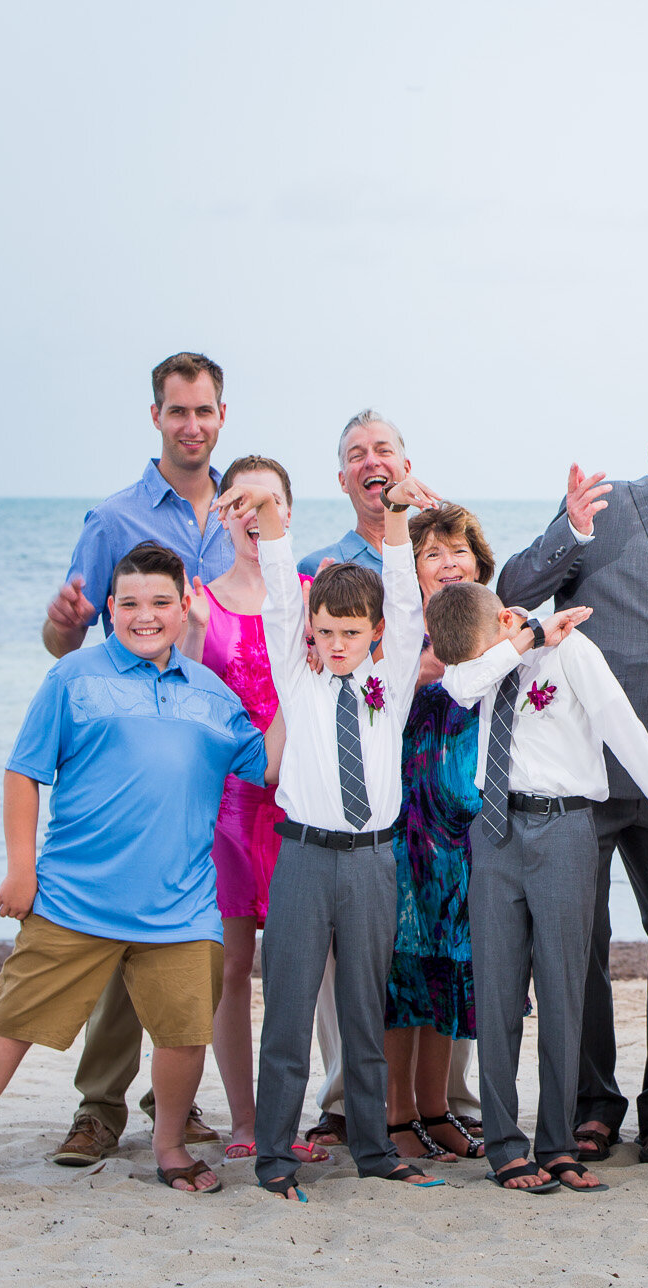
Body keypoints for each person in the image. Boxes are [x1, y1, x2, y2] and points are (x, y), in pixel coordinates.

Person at [0, 543, 273, 1206]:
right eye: (128, 603)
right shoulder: (74, 678)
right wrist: (20, 867)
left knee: (183, 1037)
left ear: (185, 608)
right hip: (72, 900)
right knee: (7, 1025)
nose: (143, 615)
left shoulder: (212, 694)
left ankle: (170, 1143)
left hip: (180, 909)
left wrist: (304, 685)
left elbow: (267, 767)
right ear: (110, 611)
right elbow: (23, 771)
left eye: (159, 602)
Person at [431, 584, 648, 1193]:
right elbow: (459, 688)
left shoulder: (574, 653)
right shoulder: (488, 658)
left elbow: (628, 736)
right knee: (496, 993)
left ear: (505, 617)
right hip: (492, 831)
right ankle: (505, 1148)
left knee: (565, 990)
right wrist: (522, 643)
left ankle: (558, 1143)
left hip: (566, 828)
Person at [494, 399, 648, 1165]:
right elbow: (515, 586)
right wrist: (570, 529)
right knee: (580, 942)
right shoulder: (609, 509)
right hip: (587, 770)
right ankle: (593, 1101)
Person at [221, 471, 444, 1201]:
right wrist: (270, 522)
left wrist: (400, 521)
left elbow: (409, 603)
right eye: (327, 632)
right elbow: (283, 598)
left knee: (364, 1011)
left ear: (375, 633)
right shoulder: (300, 677)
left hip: (374, 863)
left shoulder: (394, 678)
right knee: (286, 1011)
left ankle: (376, 1148)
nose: (338, 643)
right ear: (310, 633)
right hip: (305, 860)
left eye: (352, 632)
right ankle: (276, 1157)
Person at [38, 351, 236, 1165]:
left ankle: (174, 1102)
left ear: (223, 415)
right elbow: (64, 645)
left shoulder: (241, 512)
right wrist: (60, 618)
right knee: (121, 933)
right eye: (178, 410)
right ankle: (98, 1104)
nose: (192, 425)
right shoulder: (114, 519)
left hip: (221, 750)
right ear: (155, 415)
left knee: (197, 938)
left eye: (205, 411)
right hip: (131, 759)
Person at [175, 454, 328, 1168]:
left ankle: (297, 1114)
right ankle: (243, 1117)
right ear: (224, 513)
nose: (254, 516)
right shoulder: (199, 603)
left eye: (268, 504)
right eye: (241, 503)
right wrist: (189, 638)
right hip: (231, 809)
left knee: (303, 966)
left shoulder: (310, 597)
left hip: (304, 800)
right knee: (233, 966)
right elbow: (188, 717)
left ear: (288, 517)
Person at [380, 504, 496, 1164]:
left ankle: (435, 1106)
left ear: (480, 565)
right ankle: (397, 1114)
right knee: (406, 973)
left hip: (467, 837)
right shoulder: (398, 640)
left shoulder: (492, 637)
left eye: (459, 551)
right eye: (432, 553)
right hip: (406, 833)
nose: (448, 562)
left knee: (451, 974)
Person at [296, 410, 412, 576]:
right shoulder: (315, 568)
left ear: (406, 469)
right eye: (357, 455)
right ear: (343, 481)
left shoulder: (435, 559)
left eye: (384, 451)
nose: (371, 462)